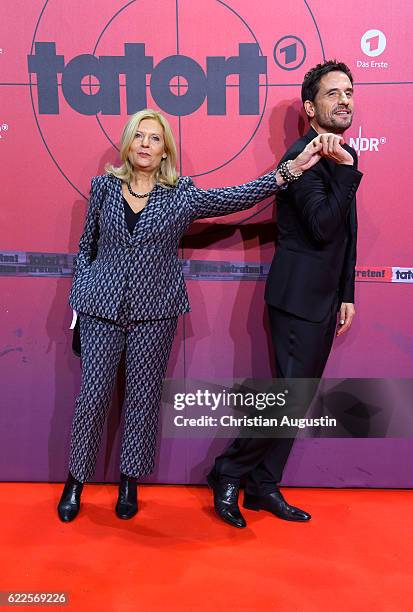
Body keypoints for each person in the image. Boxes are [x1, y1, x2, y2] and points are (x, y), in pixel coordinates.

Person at [57, 108, 329, 522]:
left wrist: (286, 173)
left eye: (154, 137)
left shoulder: (181, 194)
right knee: (91, 398)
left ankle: (129, 480)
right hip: (100, 307)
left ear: (165, 147)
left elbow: (233, 196)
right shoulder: (102, 188)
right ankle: (76, 481)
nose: (145, 144)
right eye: (139, 136)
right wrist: (78, 305)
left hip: (156, 310)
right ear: (127, 143)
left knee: (143, 399)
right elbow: (86, 249)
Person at [208, 60, 363, 528]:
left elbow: (347, 235)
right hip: (295, 299)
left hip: (323, 300)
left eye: (349, 92)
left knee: (297, 399)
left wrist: (347, 293)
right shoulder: (302, 160)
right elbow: (320, 227)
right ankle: (229, 472)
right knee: (288, 398)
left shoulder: (340, 156)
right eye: (333, 94)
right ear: (311, 108)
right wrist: (349, 171)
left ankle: (263, 484)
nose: (344, 101)